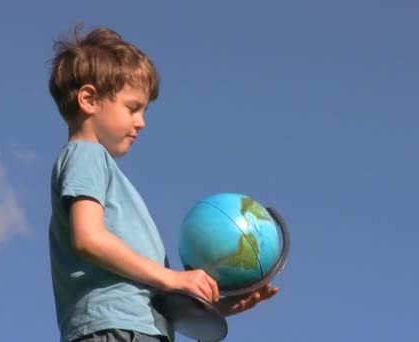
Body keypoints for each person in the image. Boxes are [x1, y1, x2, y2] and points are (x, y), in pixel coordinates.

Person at [47, 24, 278, 342]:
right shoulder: (85, 155)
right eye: (132, 108)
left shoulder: (107, 175)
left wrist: (216, 306)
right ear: (89, 99)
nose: (141, 122)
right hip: (113, 330)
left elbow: (150, 297)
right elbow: (88, 238)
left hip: (137, 330)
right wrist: (172, 278)